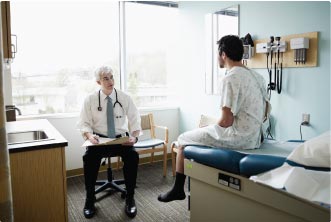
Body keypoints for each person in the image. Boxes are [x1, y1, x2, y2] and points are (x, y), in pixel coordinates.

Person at [158, 35, 270, 202]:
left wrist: (208, 129)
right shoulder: (257, 76)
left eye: (218, 54)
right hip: (257, 137)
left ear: (223, 54)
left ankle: (178, 189)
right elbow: (265, 111)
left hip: (240, 139)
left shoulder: (230, 78)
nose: (218, 57)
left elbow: (226, 122)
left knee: (182, 139)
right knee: (205, 131)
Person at [77, 66, 141, 219]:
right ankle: (89, 200)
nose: (110, 81)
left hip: (121, 139)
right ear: (99, 81)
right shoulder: (90, 99)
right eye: (106, 78)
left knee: (133, 156)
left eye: (111, 77)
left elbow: (135, 119)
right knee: (89, 158)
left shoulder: (124, 97)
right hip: (99, 140)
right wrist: (89, 136)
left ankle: (130, 198)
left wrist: (134, 137)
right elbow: (84, 123)